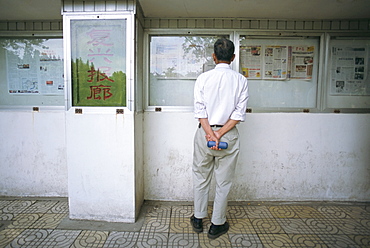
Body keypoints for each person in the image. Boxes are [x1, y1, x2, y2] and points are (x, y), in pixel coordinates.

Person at [190, 38, 249, 239]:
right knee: (223, 182)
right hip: (228, 136)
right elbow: (238, 115)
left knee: (201, 176)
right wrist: (220, 134)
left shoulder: (203, 79)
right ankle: (217, 224)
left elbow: (200, 111)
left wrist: (210, 133)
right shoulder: (241, 80)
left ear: (214, 57)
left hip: (204, 133)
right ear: (232, 58)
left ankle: (198, 219)